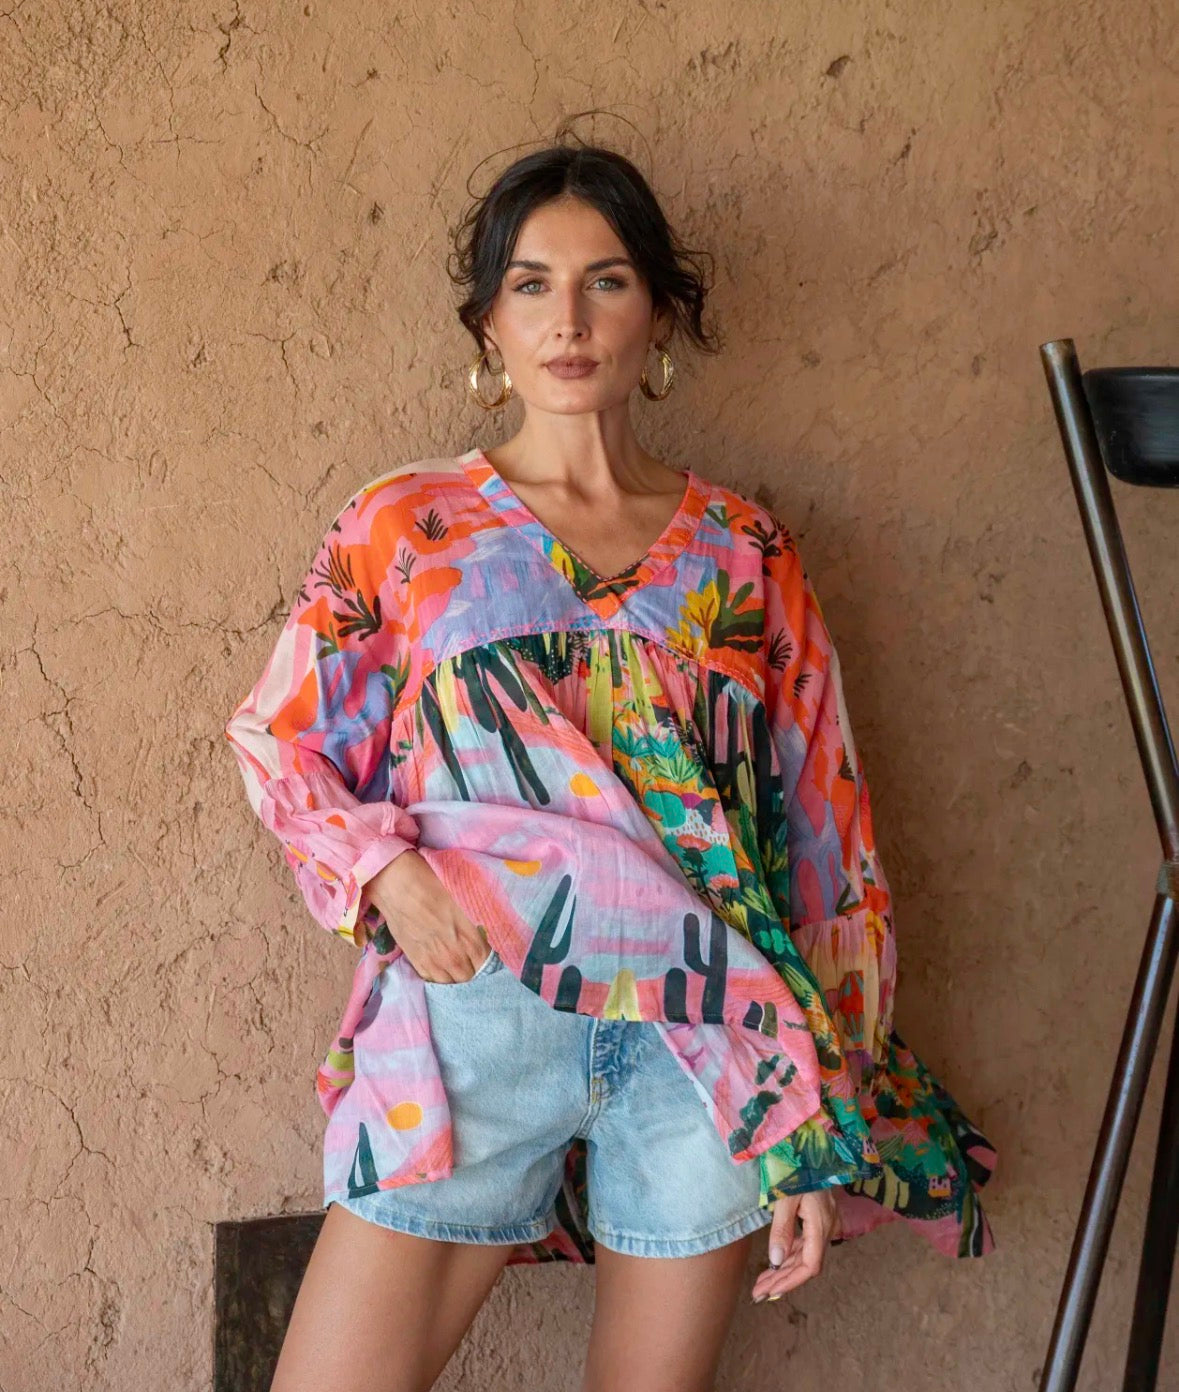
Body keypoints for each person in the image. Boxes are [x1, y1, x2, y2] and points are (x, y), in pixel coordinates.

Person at [224, 138, 997, 1392]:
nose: (568, 321)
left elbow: (826, 841)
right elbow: (282, 736)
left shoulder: (745, 553)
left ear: (659, 316)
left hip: (710, 1040)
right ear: (487, 323)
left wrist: (811, 1115)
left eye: (607, 281)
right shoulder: (409, 526)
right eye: (530, 285)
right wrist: (382, 875)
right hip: (478, 1006)